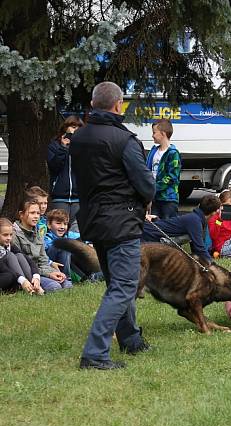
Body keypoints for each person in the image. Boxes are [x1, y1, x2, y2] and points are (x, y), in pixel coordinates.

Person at [69, 81, 155, 370]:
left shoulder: (78, 139)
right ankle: (95, 354)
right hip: (121, 222)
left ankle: (130, 339)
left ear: (93, 104)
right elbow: (146, 185)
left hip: (94, 220)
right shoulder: (125, 140)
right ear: (119, 105)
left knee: (118, 283)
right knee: (123, 287)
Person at [12, 199, 72, 292]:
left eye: (38, 213)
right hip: (29, 274)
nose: (36, 216)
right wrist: (49, 274)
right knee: (54, 287)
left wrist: (53, 272)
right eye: (32, 213)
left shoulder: (38, 233)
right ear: (21, 214)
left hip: (41, 271)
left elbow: (43, 261)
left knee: (67, 284)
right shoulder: (14, 234)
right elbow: (21, 265)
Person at [142, 194, 220, 263]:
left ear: (199, 205)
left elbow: (196, 248)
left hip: (150, 231)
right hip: (149, 233)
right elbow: (199, 248)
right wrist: (213, 265)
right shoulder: (195, 220)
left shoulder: (196, 218)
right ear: (214, 212)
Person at [47, 116, 84, 233]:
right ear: (65, 128)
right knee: (59, 230)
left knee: (76, 233)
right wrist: (63, 147)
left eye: (79, 127)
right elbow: (54, 167)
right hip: (60, 196)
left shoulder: (84, 146)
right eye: (73, 127)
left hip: (79, 197)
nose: (76, 130)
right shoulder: (55, 145)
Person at [43, 208, 100, 282]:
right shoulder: (46, 239)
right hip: (53, 265)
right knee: (65, 245)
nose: (62, 227)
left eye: (65, 224)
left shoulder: (68, 235)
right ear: (49, 225)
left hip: (69, 263)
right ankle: (71, 279)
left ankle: (92, 275)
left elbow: (84, 237)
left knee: (79, 244)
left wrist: (89, 243)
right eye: (58, 223)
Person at [146, 119, 182, 219]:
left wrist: (153, 189)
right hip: (154, 198)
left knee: (167, 228)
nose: (152, 135)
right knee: (154, 226)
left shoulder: (173, 153)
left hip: (168, 199)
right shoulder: (153, 151)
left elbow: (172, 177)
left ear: (163, 134)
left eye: (154, 132)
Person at [0, 218, 45, 295]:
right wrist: (22, 280)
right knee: (10, 256)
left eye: (11, 235)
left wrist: (36, 277)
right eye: (5, 235)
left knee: (20, 255)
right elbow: (3, 268)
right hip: (5, 275)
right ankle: (24, 287)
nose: (9, 238)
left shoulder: (10, 245)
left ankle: (33, 286)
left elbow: (29, 261)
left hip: (13, 276)